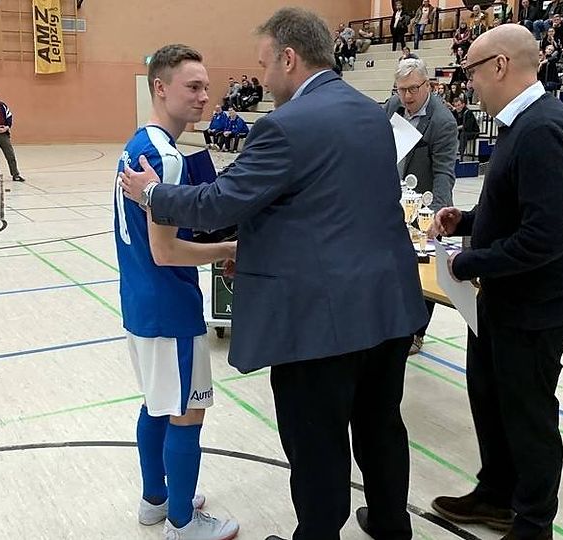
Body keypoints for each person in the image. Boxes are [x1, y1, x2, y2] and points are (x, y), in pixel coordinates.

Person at [119, 8, 428, 540]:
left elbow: (219, 203)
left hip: (320, 322)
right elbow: (324, 210)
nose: (261, 78)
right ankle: (389, 523)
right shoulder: (371, 113)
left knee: (317, 441)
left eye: (264, 64)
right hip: (387, 305)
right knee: (380, 424)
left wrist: (153, 194)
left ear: (288, 58)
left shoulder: (285, 126)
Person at [428, 25, 563, 540]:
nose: (470, 84)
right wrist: (468, 221)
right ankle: (497, 494)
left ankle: (533, 522)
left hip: (536, 307)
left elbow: (544, 238)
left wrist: (468, 263)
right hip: (506, 303)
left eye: (472, 72)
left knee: (528, 417)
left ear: (499, 65)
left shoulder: (543, 130)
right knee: (491, 400)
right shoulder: (525, 124)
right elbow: (517, 210)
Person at [112, 44, 239, 540]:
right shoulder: (165, 158)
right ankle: (183, 523)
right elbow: (166, 252)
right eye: (193, 86)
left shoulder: (137, 143)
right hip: (169, 305)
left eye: (206, 86)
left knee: (158, 403)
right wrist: (231, 248)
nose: (204, 96)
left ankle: (156, 500)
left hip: (140, 300)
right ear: (160, 88)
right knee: (187, 411)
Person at [384, 58, 458, 355]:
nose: (407, 96)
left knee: (420, 269)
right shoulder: (392, 107)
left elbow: (444, 172)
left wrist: (437, 214)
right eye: (401, 89)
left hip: (423, 204)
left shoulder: (443, 121)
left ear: (428, 85)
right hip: (392, 199)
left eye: (413, 89)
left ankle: (417, 331)